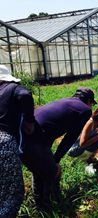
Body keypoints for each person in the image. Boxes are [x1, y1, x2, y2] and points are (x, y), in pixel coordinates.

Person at [20, 87, 95, 209]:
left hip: (20, 137)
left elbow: (49, 125)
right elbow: (70, 138)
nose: (91, 106)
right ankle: (53, 209)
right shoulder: (84, 110)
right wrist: (56, 160)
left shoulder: (64, 101)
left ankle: (40, 207)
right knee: (53, 173)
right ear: (89, 101)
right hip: (36, 137)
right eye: (92, 104)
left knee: (38, 171)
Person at [0, 65, 35, 218]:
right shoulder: (13, 87)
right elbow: (25, 96)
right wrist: (29, 121)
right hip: (3, 141)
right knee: (13, 191)